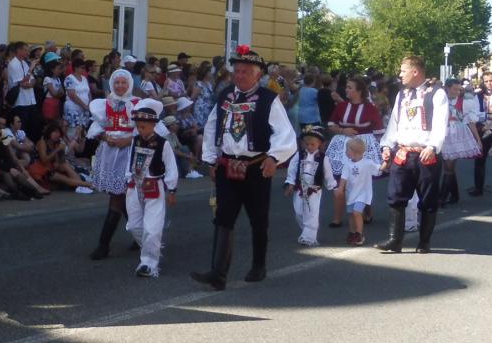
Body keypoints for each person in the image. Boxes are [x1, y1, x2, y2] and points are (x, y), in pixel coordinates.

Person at [192, 46, 296, 288]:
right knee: (223, 217)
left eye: (246, 71)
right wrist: (211, 159)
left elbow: (285, 133)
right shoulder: (225, 95)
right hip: (227, 166)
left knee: (258, 219)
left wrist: (274, 158)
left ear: (258, 74)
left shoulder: (268, 99)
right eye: (237, 71)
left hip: (256, 168)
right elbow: (212, 126)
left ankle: (259, 266)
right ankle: (218, 273)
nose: (240, 75)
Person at [376, 55, 450, 254]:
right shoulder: (402, 95)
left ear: (415, 71)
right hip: (404, 152)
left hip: (426, 154)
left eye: (403, 71)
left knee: (428, 199)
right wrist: (387, 145)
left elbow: (441, 123)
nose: (400, 75)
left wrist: (433, 146)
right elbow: (394, 123)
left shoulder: (437, 93)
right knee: (396, 196)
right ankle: (395, 240)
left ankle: (424, 242)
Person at [86, 68, 138, 259]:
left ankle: (104, 245)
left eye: (124, 82)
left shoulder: (137, 104)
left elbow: (146, 131)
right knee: (119, 195)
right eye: (117, 82)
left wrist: (128, 140)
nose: (120, 86)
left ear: (130, 84)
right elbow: (96, 128)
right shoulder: (105, 104)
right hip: (110, 154)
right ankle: (139, 235)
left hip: (128, 154)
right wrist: (104, 136)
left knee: (119, 196)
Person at [123, 100, 178, 278]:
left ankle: (148, 263)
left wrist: (172, 190)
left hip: (154, 187)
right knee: (134, 225)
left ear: (153, 125)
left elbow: (171, 167)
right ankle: (151, 247)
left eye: (143, 127)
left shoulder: (163, 144)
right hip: (134, 186)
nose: (140, 130)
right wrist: (128, 180)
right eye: (138, 127)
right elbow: (130, 161)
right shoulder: (135, 140)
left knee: (152, 227)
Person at [324, 76, 384, 227]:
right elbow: (331, 125)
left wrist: (381, 150)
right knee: (339, 181)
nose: (346, 90)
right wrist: (342, 130)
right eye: (347, 87)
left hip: (363, 146)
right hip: (342, 146)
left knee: (362, 180)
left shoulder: (370, 108)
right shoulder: (341, 106)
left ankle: (366, 211)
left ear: (359, 91)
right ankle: (337, 217)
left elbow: (379, 130)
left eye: (350, 88)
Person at [283, 125, 336, 247]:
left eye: (313, 144)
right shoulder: (299, 155)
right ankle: (306, 231)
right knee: (299, 212)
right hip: (300, 188)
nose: (309, 147)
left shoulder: (323, 158)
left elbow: (328, 173)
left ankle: (309, 237)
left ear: (319, 144)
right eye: (307, 144)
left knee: (311, 213)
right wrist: (290, 183)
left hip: (314, 190)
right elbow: (292, 169)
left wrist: (332, 186)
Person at [438, 77, 482, 205]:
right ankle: (454, 195)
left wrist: (478, 139)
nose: (457, 92)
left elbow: (470, 122)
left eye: (458, 89)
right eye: (454, 89)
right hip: (445, 134)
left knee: (449, 166)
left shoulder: (464, 102)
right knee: (448, 166)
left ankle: (442, 197)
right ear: (447, 88)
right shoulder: (441, 100)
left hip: (457, 135)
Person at [335, 138, 380, 245]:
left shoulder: (367, 163)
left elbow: (379, 169)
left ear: (354, 151)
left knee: (356, 212)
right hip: (351, 194)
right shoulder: (347, 164)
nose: (346, 152)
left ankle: (359, 234)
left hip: (363, 193)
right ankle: (352, 232)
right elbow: (344, 178)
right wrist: (340, 189)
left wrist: (387, 164)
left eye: (347, 149)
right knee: (351, 214)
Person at [6, 40, 38, 135]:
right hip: (20, 102)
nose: (27, 53)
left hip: (30, 100)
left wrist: (30, 83)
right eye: (25, 50)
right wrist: (31, 69)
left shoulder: (24, 63)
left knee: (32, 127)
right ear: (18, 50)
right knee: (22, 128)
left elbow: (32, 80)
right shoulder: (13, 64)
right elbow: (22, 83)